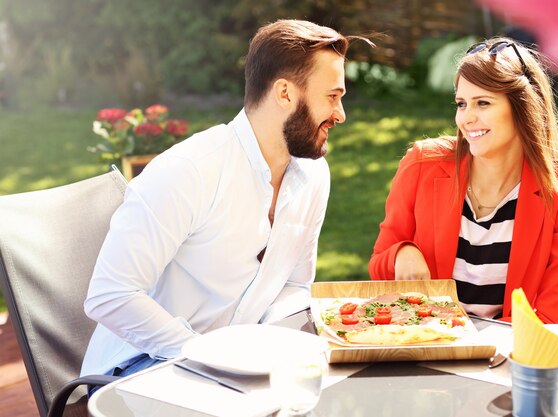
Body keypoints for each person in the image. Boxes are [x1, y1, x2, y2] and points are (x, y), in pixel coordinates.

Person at [81, 19, 372, 382]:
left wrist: (265, 346)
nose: (340, 115)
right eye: (332, 97)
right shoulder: (188, 171)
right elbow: (110, 295)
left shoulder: (313, 176)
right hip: (142, 368)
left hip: (237, 368)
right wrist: (209, 356)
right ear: (284, 94)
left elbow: (296, 286)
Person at [368, 37, 558, 324]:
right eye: (462, 103)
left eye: (483, 103)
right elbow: (378, 266)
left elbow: (552, 314)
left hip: (508, 353)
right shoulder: (422, 164)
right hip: (424, 340)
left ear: (523, 108)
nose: (467, 118)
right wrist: (402, 254)